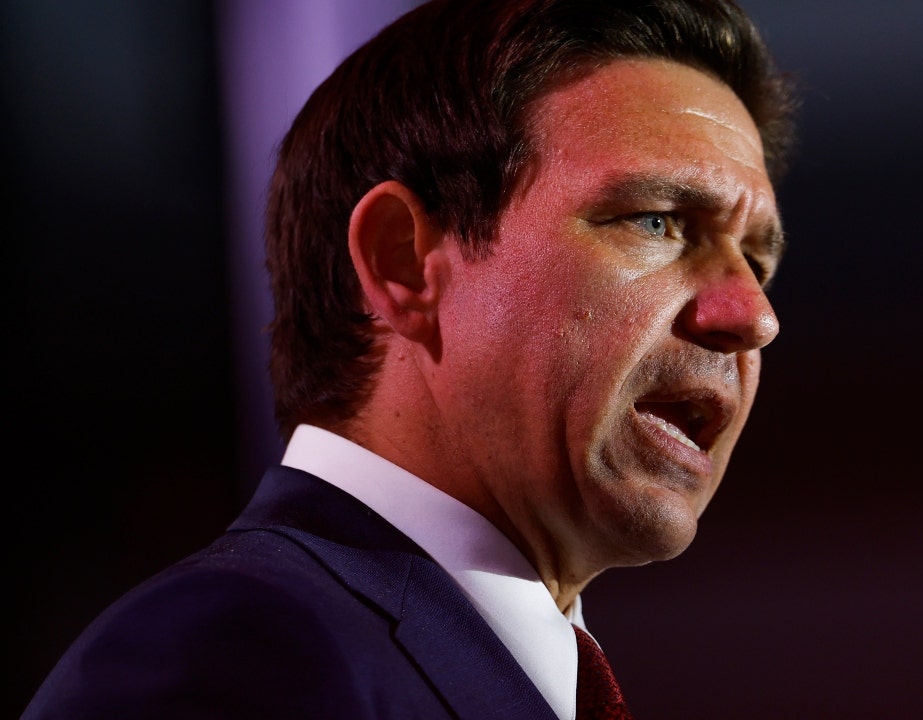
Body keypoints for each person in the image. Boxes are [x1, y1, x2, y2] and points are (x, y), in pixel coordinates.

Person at [22, 0, 797, 717]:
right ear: (405, 262)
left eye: (758, 263)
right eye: (657, 221)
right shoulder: (236, 655)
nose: (754, 317)